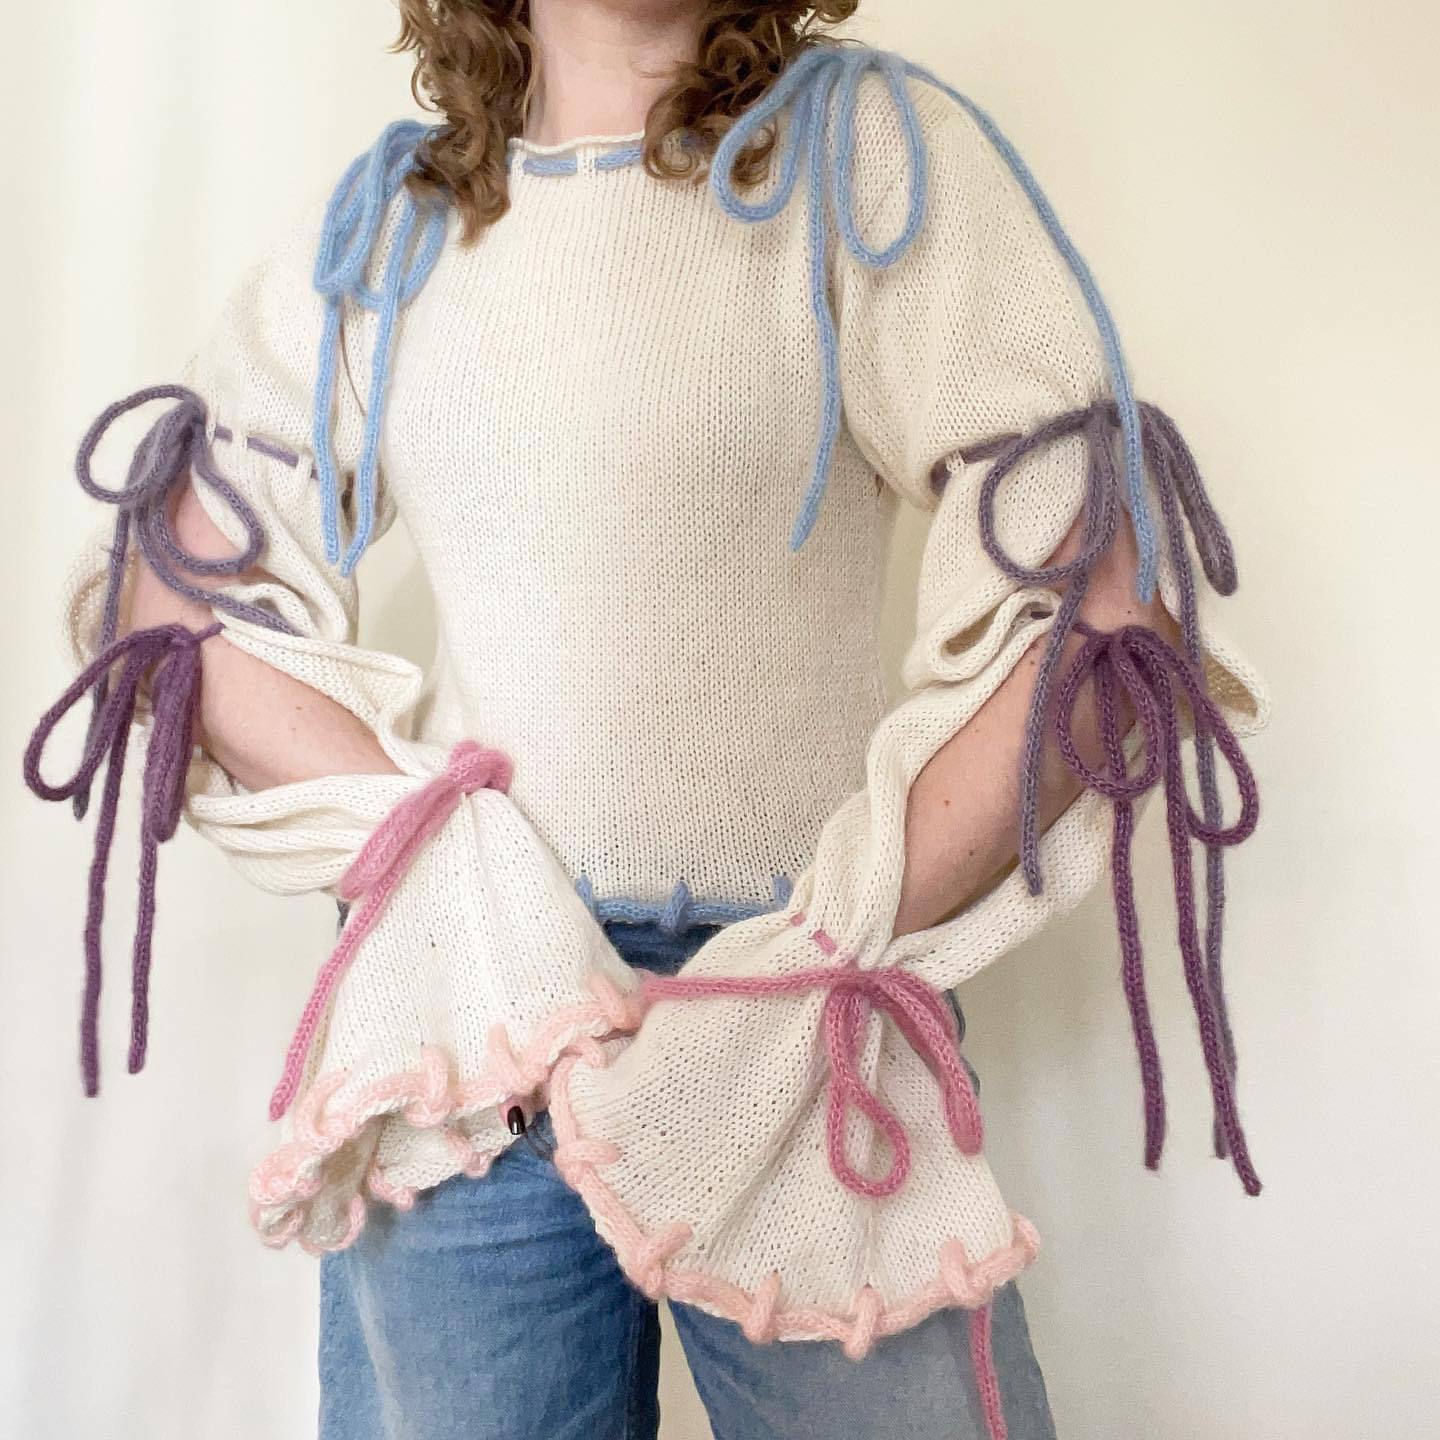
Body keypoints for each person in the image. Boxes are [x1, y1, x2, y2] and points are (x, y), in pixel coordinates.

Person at [24, 3, 1269, 1437]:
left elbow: (1108, 607)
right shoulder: (394, 226)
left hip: (798, 1022)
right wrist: (453, 870)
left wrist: (826, 942)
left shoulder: (859, 157)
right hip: (468, 1027)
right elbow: (166, 603)